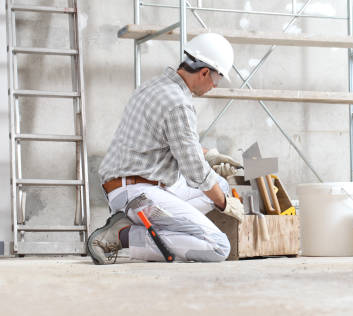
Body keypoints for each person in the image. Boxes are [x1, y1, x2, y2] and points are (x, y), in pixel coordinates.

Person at [87, 33, 244, 265]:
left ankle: (132, 224)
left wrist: (209, 155)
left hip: (131, 185)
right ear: (203, 72)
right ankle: (124, 235)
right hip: (140, 194)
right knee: (218, 246)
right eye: (217, 79)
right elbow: (196, 174)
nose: (214, 86)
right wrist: (224, 204)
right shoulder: (178, 103)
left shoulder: (154, 86)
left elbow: (173, 141)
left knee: (218, 184)